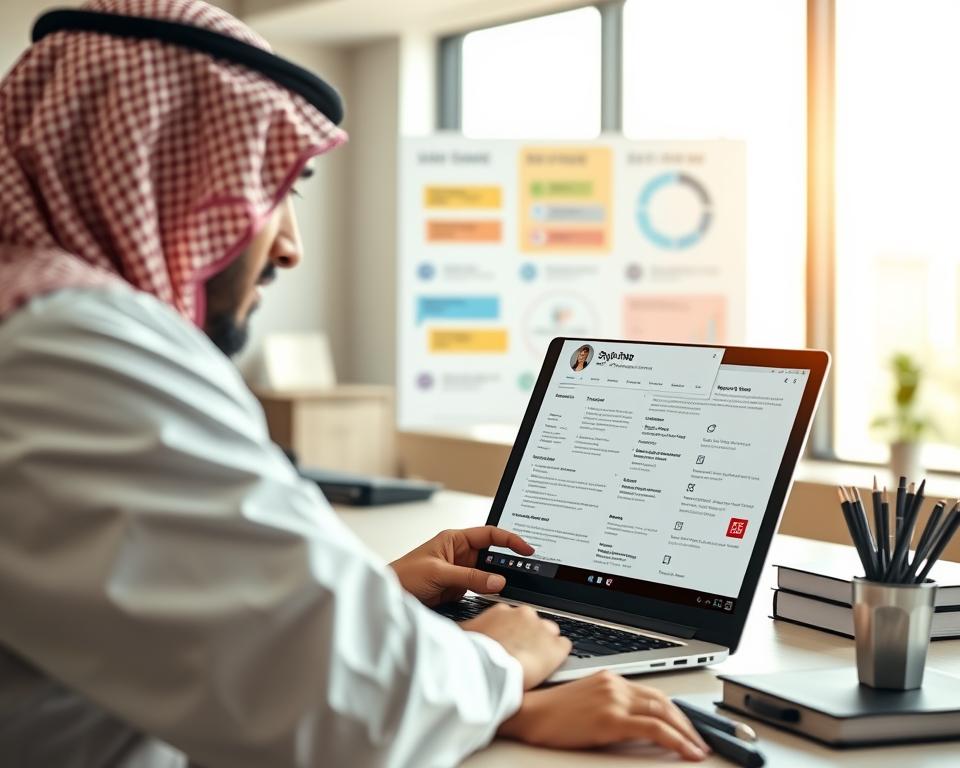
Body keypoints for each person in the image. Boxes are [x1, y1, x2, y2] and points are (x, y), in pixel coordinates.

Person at [0, 2, 708, 766]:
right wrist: (502, 662)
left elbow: (156, 616)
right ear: (163, 176)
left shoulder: (36, 321)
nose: (290, 247)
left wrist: (367, 597)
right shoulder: (72, 346)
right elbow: (340, 712)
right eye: (274, 191)